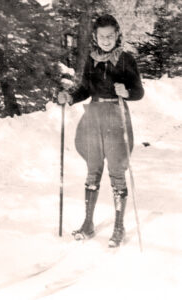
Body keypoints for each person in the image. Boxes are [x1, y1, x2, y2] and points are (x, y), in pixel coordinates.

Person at [58, 14, 144, 247]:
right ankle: (88, 223)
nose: (106, 40)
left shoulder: (126, 59)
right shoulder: (90, 59)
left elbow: (138, 91)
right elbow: (85, 89)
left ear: (117, 36)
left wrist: (127, 93)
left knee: (117, 172)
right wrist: (70, 97)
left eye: (110, 35)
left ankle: (118, 227)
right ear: (95, 37)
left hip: (116, 116)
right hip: (93, 117)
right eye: (101, 36)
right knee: (93, 170)